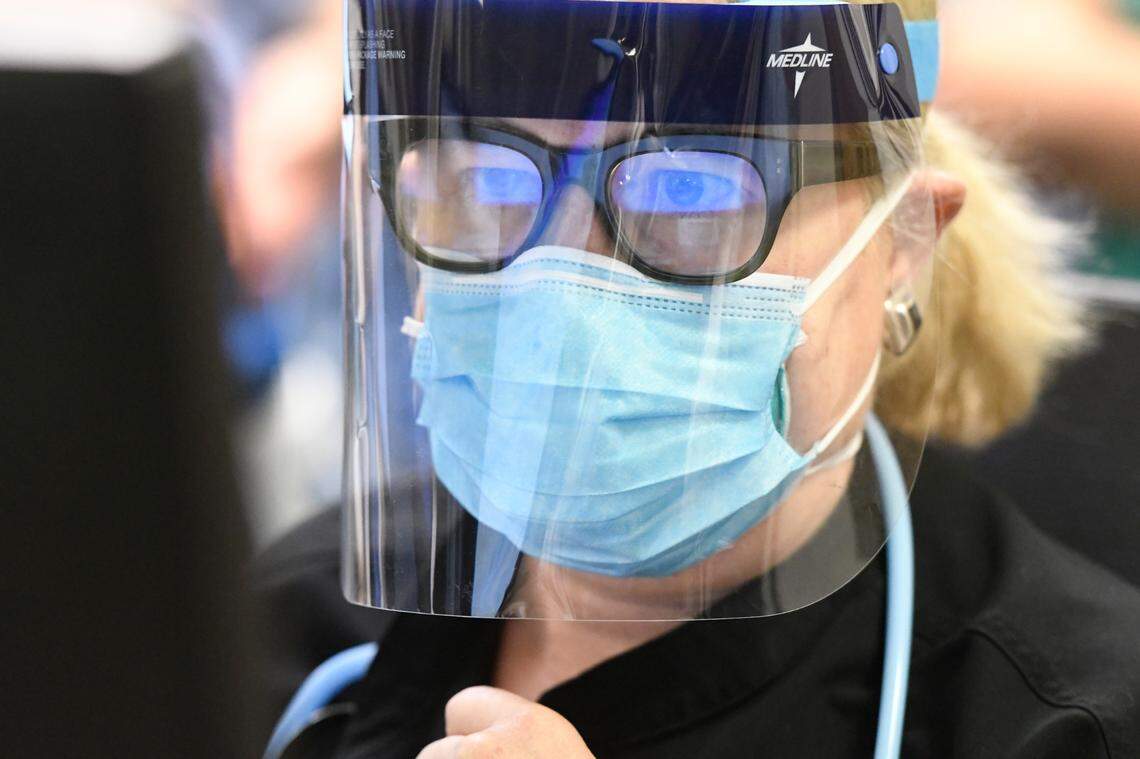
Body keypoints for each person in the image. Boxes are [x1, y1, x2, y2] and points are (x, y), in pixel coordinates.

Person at [254, 1, 1140, 757]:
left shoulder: (1064, 722)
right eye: (485, 181)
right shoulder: (294, 628)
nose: (559, 288)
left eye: (691, 194)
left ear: (904, 242)